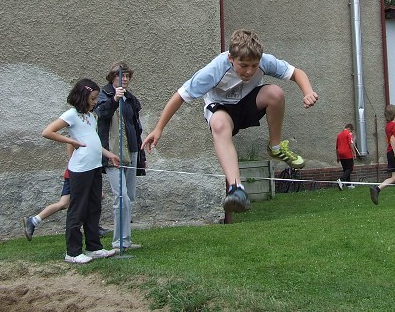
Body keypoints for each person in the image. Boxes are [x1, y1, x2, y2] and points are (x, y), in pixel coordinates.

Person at [142, 29, 319, 213]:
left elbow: (296, 73)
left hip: (247, 103)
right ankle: (237, 189)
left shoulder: (265, 61)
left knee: (275, 93)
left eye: (254, 65)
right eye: (243, 65)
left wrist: (308, 92)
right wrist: (158, 128)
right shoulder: (214, 70)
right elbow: (180, 96)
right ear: (231, 59)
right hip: (222, 109)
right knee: (219, 124)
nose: (249, 71)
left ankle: (276, 146)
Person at [42, 78, 119, 264]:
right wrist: (71, 142)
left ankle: (94, 247)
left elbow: (94, 142)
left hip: (94, 167)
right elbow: (48, 132)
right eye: (92, 99)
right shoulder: (71, 115)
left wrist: (109, 155)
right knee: (78, 210)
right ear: (82, 97)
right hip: (80, 169)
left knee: (94, 208)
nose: (94, 103)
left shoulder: (91, 116)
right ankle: (73, 252)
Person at [96, 61, 146, 251]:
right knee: (121, 197)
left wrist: (140, 155)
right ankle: (118, 243)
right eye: (120, 76)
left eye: (127, 76)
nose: (124, 79)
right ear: (112, 77)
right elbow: (101, 114)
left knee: (129, 197)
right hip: (113, 153)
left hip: (131, 151)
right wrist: (114, 100)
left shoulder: (130, 99)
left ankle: (126, 241)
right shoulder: (105, 95)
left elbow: (136, 127)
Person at [22, 145, 111, 241]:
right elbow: (71, 148)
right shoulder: (77, 134)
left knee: (66, 203)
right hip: (77, 173)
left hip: (78, 172)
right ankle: (92, 228)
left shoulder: (87, 133)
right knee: (93, 197)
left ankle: (33, 221)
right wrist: (75, 168)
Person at [336, 124, 356, 190]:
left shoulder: (339, 135)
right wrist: (354, 152)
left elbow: (337, 147)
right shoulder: (349, 134)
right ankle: (341, 180)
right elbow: (351, 144)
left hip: (341, 154)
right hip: (347, 153)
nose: (351, 132)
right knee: (350, 168)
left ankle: (348, 184)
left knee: (345, 169)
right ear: (349, 129)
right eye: (351, 130)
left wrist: (337, 156)